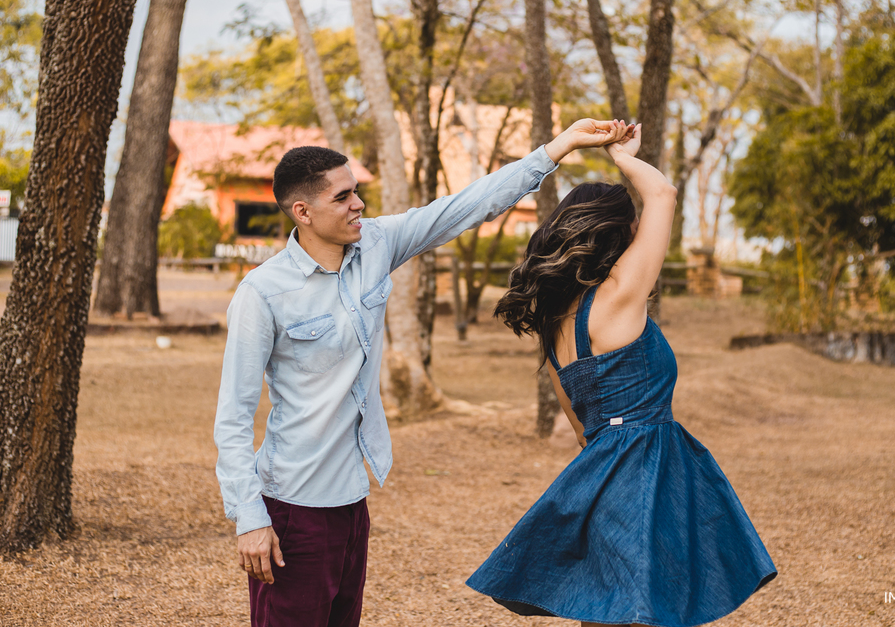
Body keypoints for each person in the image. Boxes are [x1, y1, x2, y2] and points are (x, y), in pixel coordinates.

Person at [213, 118, 632, 627]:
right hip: (292, 507)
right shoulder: (263, 293)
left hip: (351, 501)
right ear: (302, 212)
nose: (358, 204)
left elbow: (466, 206)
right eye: (343, 197)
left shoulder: (376, 245)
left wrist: (558, 147)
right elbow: (233, 416)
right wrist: (250, 518)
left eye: (357, 191)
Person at [467, 122, 777, 627]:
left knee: (606, 612)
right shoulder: (618, 296)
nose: (640, 235)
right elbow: (663, 193)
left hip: (599, 475)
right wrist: (624, 157)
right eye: (634, 227)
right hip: (647, 472)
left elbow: (582, 430)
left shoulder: (554, 326)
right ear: (620, 232)